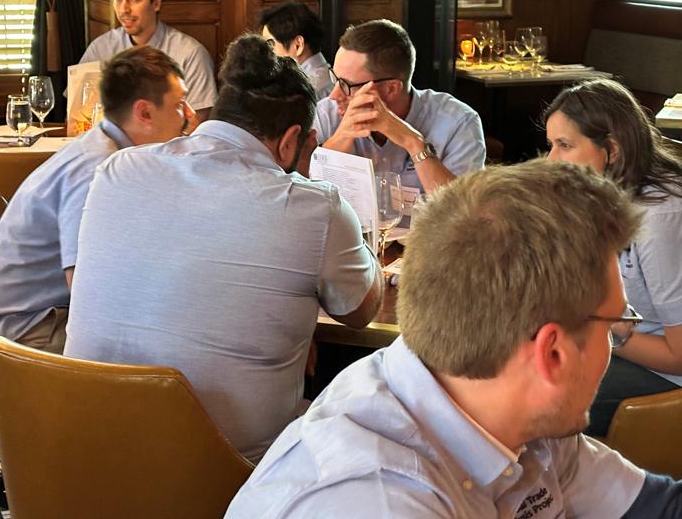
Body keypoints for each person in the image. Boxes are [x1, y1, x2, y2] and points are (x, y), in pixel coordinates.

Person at [227, 160, 682, 518]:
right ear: (553, 353)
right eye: (615, 325)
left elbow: (656, 507)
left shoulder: (516, 410)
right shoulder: (375, 503)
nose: (615, 338)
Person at [64, 34, 383, 462]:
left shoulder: (118, 168)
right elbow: (361, 311)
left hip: (82, 453)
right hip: (229, 474)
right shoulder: (314, 207)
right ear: (291, 140)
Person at [0, 46, 195, 352]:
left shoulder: (113, 149)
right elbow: (83, 287)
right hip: (25, 327)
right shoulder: (95, 170)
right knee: (172, 346)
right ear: (144, 113)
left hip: (49, 312)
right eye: (180, 104)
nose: (190, 115)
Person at [545, 78, 682, 437]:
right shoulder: (599, 193)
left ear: (612, 150)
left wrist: (602, 329)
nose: (551, 160)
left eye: (565, 145)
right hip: (613, 345)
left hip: (665, 379)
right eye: (551, 145)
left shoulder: (660, 217)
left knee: (536, 392)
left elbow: (679, 356)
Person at [314, 19, 485, 194]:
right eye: (335, 79)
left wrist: (413, 143)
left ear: (391, 89)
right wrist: (339, 140)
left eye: (346, 85)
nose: (334, 95)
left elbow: (462, 207)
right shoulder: (326, 115)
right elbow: (306, 193)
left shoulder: (459, 122)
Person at [78, 0, 217, 122]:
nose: (124, 9)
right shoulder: (100, 48)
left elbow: (197, 123)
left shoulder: (190, 54)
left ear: (156, 2)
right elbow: (76, 115)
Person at [260, 1, 335, 100]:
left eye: (270, 44)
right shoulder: (328, 77)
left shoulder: (302, 93)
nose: (266, 53)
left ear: (298, 45)